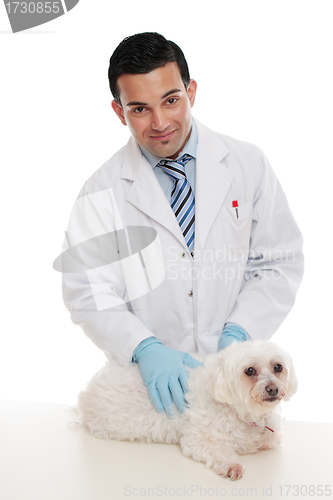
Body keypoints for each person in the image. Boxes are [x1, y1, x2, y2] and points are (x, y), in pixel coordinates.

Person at [61, 32, 304, 418]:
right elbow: (89, 293)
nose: (160, 123)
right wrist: (145, 348)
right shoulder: (101, 191)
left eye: (171, 101)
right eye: (139, 109)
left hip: (239, 386)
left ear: (191, 92)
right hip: (151, 393)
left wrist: (240, 331)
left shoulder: (247, 164)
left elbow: (279, 262)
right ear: (118, 111)